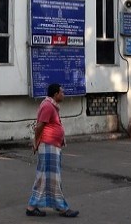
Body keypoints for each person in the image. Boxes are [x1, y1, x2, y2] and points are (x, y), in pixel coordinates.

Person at [25, 83, 79, 218]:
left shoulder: (51, 106)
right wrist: (35, 143)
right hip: (48, 145)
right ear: (55, 94)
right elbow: (39, 127)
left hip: (52, 146)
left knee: (48, 177)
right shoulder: (48, 106)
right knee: (50, 177)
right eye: (62, 92)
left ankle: (35, 206)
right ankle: (61, 208)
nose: (64, 94)